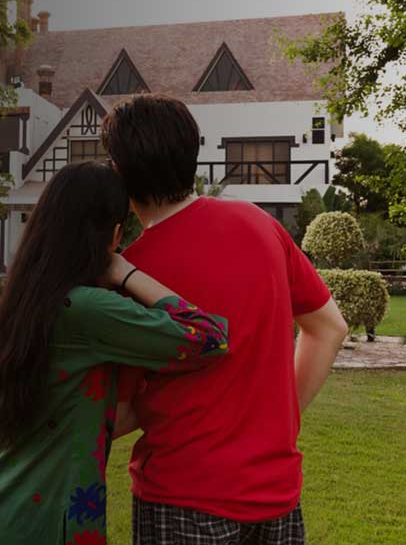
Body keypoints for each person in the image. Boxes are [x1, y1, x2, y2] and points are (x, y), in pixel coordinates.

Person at [104, 95, 350, 544]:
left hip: (182, 496)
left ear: (119, 171)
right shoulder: (260, 224)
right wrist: (278, 419)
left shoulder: (131, 274)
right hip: (276, 491)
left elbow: (116, 415)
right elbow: (329, 327)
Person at [0, 161, 231, 545]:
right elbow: (209, 337)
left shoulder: (29, 296)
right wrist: (126, 272)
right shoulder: (88, 309)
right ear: (114, 233)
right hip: (44, 522)